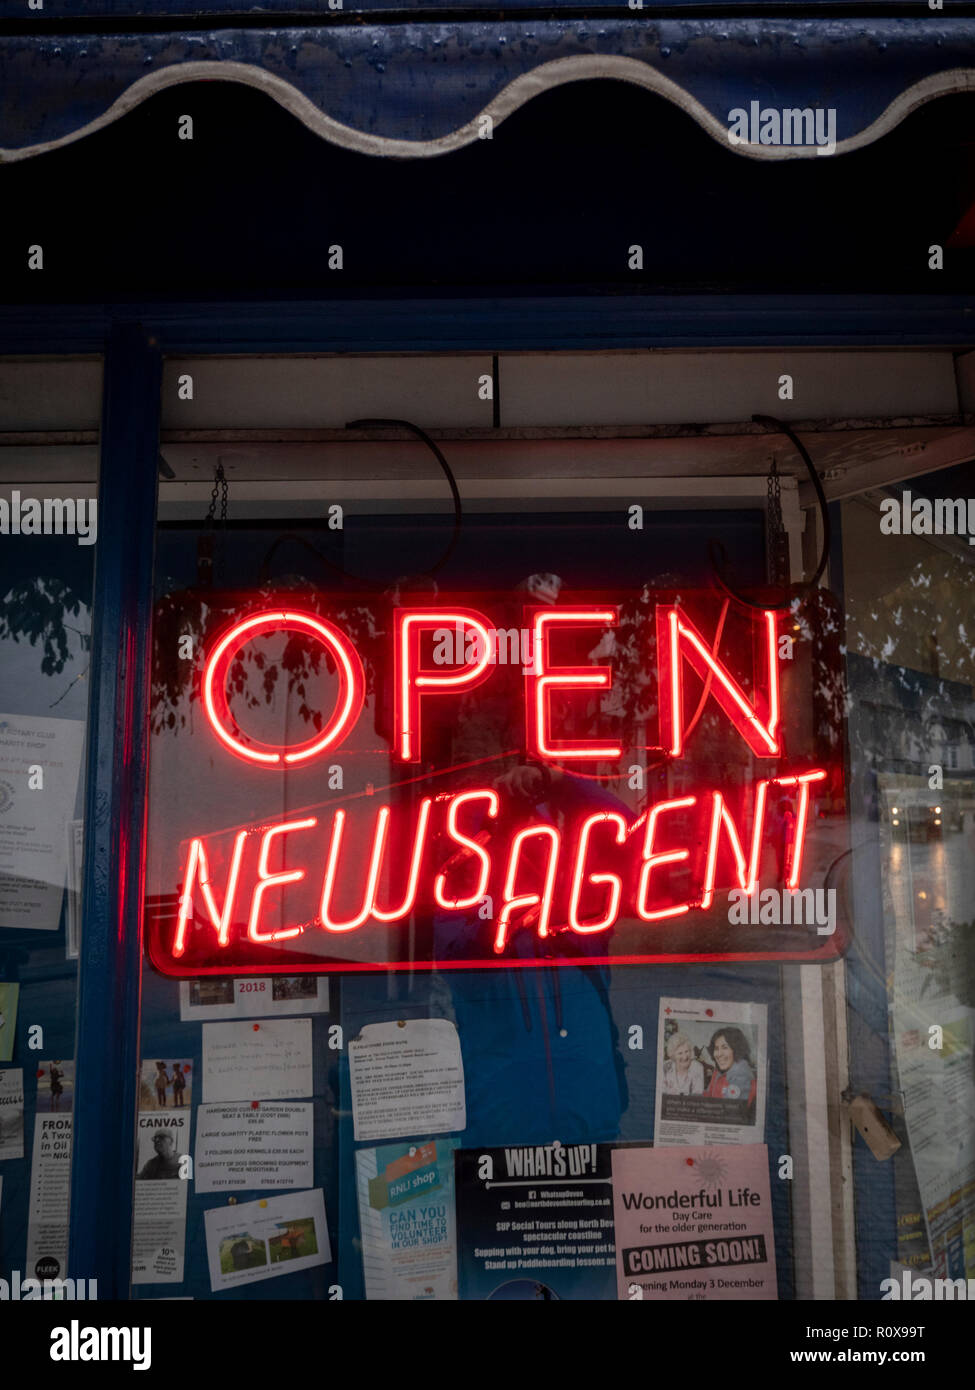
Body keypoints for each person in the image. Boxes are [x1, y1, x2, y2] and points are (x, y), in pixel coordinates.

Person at [704, 1027, 757, 1110]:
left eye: (725, 1047)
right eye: (716, 1048)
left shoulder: (741, 1074)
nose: (719, 1054)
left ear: (736, 1049)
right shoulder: (718, 1070)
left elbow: (729, 1112)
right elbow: (707, 1095)